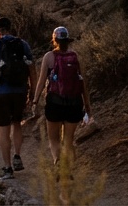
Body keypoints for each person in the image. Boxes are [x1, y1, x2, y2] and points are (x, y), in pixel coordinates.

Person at [0, 17, 37, 180]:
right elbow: (32, 69)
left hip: (1, 92)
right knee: (17, 123)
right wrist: (32, 92)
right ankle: (17, 155)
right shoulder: (23, 44)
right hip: (20, 92)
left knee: (3, 130)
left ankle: (7, 168)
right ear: (10, 28)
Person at [34, 26, 92, 165]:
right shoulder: (75, 56)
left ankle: (58, 160)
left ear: (54, 40)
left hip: (55, 103)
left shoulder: (49, 57)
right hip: (74, 103)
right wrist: (87, 106)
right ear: (68, 40)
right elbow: (83, 83)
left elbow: (41, 81)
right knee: (68, 140)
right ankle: (69, 170)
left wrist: (35, 100)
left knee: (53, 139)